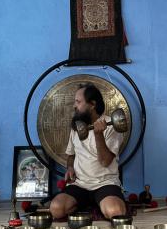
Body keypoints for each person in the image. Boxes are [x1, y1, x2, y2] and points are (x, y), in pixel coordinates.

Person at [50, 83, 126, 219]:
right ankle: (89, 204)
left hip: (105, 183)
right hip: (80, 184)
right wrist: (69, 167)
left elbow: (105, 161)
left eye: (78, 102)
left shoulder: (111, 125)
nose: (74, 106)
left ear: (92, 104)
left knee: (116, 212)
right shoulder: (76, 126)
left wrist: (98, 135)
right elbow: (71, 155)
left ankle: (100, 202)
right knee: (56, 209)